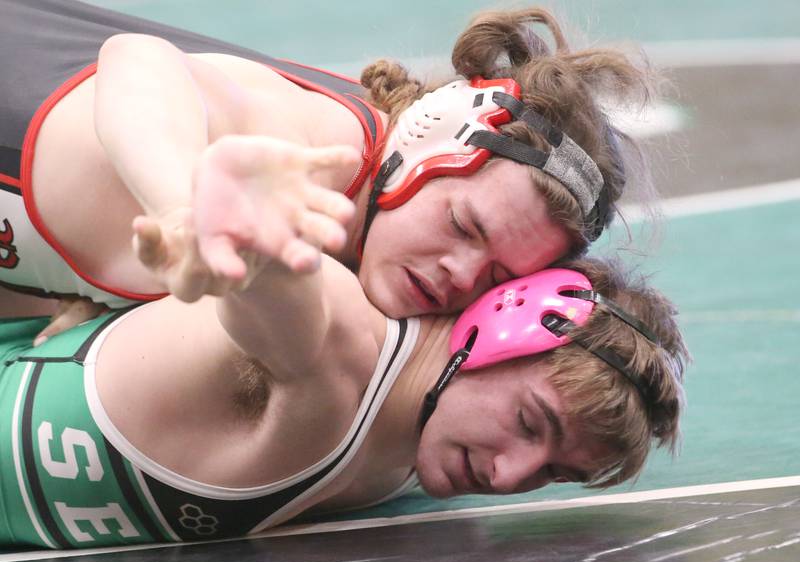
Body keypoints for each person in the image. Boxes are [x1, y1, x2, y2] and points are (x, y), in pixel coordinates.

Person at [0, 163, 688, 549]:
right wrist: (249, 239)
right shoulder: (340, 343)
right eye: (532, 424)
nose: (511, 474)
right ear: (492, 329)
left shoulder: (427, 443)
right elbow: (287, 295)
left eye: (555, 473)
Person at [0, 0, 655, 339]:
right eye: (462, 223)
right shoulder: (318, 149)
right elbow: (140, 64)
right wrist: (181, 205)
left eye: (495, 278)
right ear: (425, 141)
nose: (460, 274)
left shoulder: (347, 263)